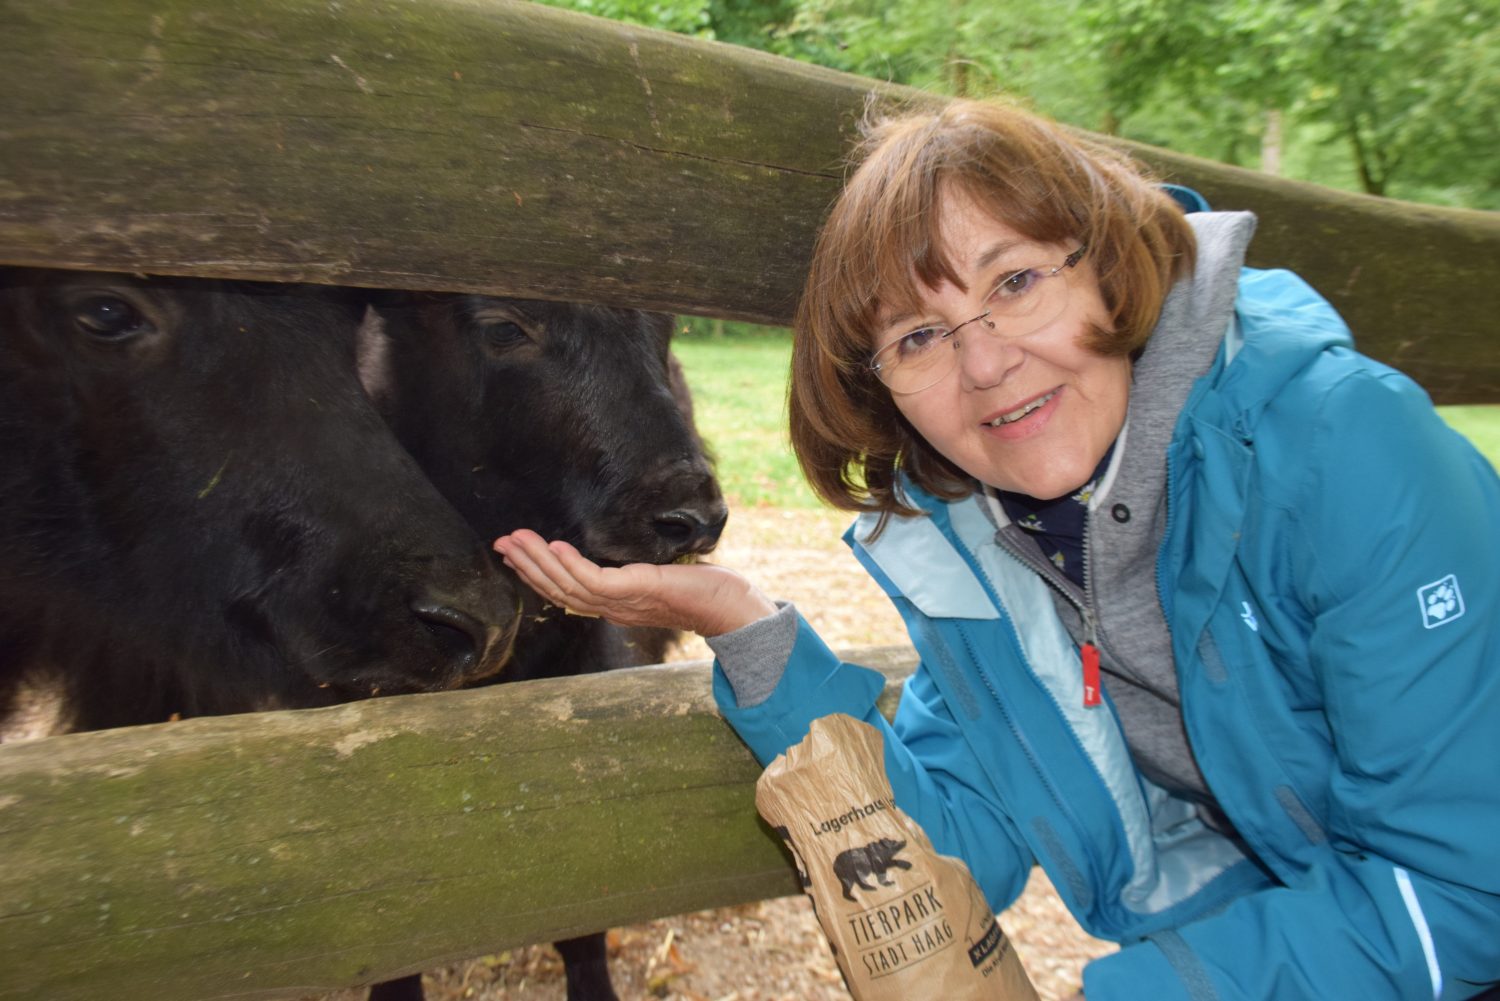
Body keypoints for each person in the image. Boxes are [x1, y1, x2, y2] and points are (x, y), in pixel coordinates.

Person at [493, 98, 1500, 1000]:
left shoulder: (1346, 451)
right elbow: (960, 837)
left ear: (1112, 268)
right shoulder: (995, 538)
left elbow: (1467, 885)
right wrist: (747, 627)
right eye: (917, 337)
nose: (984, 362)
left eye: (1015, 281)